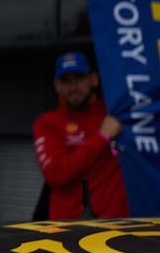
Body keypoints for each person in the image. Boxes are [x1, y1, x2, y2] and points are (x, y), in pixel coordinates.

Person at [32, 51, 130, 219]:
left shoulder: (116, 113)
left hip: (118, 225)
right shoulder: (47, 123)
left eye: (79, 78)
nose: (73, 87)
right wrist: (102, 137)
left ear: (94, 79)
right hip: (69, 230)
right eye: (66, 81)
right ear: (56, 85)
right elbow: (56, 174)